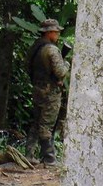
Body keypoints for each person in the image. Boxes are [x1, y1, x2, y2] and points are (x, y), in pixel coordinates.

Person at [25, 18, 70, 165]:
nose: (58, 34)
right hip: (50, 91)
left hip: (38, 89)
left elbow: (29, 68)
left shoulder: (36, 47)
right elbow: (61, 72)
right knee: (47, 125)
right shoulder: (51, 49)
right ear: (49, 32)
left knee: (36, 123)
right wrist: (67, 64)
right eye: (56, 32)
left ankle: (29, 154)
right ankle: (49, 158)